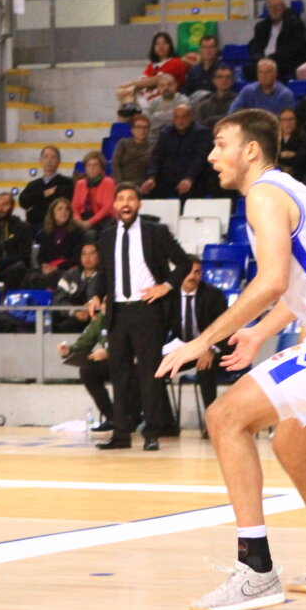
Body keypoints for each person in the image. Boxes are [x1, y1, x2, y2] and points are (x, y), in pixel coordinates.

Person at [155, 108, 306, 610]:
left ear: (251, 151)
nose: (211, 155)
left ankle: (256, 571)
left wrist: (203, 341)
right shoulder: (291, 191)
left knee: (225, 418)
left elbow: (271, 282)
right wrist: (258, 332)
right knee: (293, 446)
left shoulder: (264, 194)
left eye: (220, 144)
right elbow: (302, 279)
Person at [87, 184, 189, 452]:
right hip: (118, 312)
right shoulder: (107, 236)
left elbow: (184, 262)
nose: (125, 203)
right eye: (120, 199)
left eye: (131, 198)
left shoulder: (155, 232)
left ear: (139, 204)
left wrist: (165, 286)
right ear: (114, 205)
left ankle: (152, 432)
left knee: (149, 373)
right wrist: (96, 295)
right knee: (119, 374)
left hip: (147, 310)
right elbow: (104, 274)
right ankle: (121, 433)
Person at [166, 255, 230, 420]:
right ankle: (165, 422)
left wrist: (211, 350)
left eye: (197, 272)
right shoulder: (170, 297)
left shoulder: (213, 295)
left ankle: (212, 421)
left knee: (205, 369)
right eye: (188, 272)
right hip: (184, 348)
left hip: (212, 348)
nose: (192, 276)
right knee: (153, 369)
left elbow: (227, 327)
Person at [141, 104, 215, 200]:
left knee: (190, 191)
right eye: (177, 117)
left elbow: (199, 159)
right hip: (168, 179)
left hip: (194, 179)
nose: (180, 121)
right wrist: (151, 177)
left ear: (191, 117)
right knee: (148, 191)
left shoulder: (202, 133)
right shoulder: (165, 133)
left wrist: (189, 178)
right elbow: (156, 157)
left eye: (184, 117)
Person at [57, 314, 116, 430]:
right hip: (111, 361)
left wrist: (110, 352)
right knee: (88, 371)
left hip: (133, 361)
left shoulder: (128, 315)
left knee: (129, 373)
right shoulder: (99, 319)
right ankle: (112, 417)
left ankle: (131, 417)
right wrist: (69, 350)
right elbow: (84, 342)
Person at [116, 32, 188, 109]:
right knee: (121, 91)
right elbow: (142, 80)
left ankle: (129, 108)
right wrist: (130, 88)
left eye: (165, 43)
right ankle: (129, 108)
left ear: (170, 46)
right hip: (145, 98)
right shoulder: (152, 65)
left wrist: (132, 84)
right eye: (157, 44)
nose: (161, 46)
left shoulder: (176, 62)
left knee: (127, 96)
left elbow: (156, 80)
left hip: (161, 100)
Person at [247, 0, 306, 81]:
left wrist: (271, 58)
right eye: (271, 7)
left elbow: (292, 49)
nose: (274, 10)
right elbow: (256, 46)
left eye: (278, 7)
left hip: (282, 61)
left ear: (284, 8)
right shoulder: (261, 26)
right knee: (248, 69)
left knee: (274, 69)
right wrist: (260, 58)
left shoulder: (294, 24)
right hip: (263, 60)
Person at [28, 196, 85, 288]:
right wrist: (44, 266)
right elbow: (41, 256)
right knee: (29, 276)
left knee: (50, 278)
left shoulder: (77, 232)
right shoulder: (45, 232)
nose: (64, 212)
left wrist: (57, 267)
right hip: (50, 268)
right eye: (60, 209)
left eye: (67, 209)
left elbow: (77, 257)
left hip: (67, 268)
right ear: (52, 213)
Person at [0, 191, 33, 289]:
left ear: (12, 207)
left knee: (13, 272)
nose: (0, 208)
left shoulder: (23, 228)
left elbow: (24, 256)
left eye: (5, 204)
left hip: (18, 269)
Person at [18, 145, 74, 226]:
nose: (49, 160)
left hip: (56, 224)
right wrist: (43, 194)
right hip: (34, 224)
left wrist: (34, 203)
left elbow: (60, 201)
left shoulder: (66, 182)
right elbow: (22, 201)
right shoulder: (33, 184)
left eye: (53, 157)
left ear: (59, 161)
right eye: (46, 157)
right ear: (41, 160)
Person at [54, 241, 101, 333]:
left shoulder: (106, 276)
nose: (88, 258)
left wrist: (90, 311)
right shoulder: (70, 275)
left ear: (99, 256)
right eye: (84, 254)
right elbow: (58, 300)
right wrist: (74, 312)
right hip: (72, 319)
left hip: (97, 319)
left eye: (92, 253)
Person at [228, 58, 294, 115]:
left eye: (267, 72)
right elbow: (232, 111)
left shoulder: (285, 95)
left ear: (275, 74)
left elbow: (286, 120)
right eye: (260, 72)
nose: (263, 76)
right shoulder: (248, 90)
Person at [72, 151, 115, 230]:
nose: (92, 168)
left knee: (91, 233)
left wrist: (90, 222)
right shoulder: (80, 184)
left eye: (95, 165)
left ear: (101, 168)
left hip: (103, 219)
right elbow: (75, 207)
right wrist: (78, 220)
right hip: (83, 218)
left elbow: (107, 208)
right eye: (89, 165)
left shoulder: (108, 182)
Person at [141, 73, 190, 140]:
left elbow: (179, 118)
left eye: (169, 85)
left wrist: (156, 116)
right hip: (154, 138)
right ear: (158, 88)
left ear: (176, 85)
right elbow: (145, 118)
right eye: (162, 86)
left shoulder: (183, 100)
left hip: (178, 137)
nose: (166, 88)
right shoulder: (153, 102)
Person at [111, 114, 153, 190]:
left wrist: (150, 180)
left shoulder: (154, 146)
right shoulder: (123, 143)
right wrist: (120, 185)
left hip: (145, 186)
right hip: (124, 184)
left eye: (145, 127)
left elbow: (155, 167)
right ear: (132, 130)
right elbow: (116, 164)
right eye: (138, 127)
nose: (142, 130)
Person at [181, 34, 223, 100]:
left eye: (211, 47)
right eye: (205, 47)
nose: (208, 51)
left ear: (216, 49)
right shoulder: (193, 70)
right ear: (200, 49)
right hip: (194, 104)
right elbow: (186, 90)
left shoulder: (222, 70)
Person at [195, 65, 237, 129]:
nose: (224, 79)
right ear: (214, 80)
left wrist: (210, 119)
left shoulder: (238, 101)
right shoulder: (205, 104)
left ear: (232, 80)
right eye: (220, 77)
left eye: (228, 77)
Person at [276, 108, 306, 178]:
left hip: (298, 173)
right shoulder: (274, 137)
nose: (288, 123)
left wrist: (293, 156)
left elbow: (303, 158)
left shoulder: (303, 138)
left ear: (296, 121)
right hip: (278, 172)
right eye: (284, 120)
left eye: (291, 119)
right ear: (279, 122)